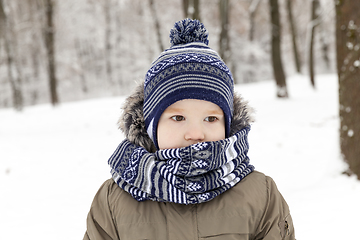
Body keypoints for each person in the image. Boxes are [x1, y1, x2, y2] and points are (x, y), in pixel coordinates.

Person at [84, 19, 295, 240]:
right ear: (150, 126)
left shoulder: (260, 194)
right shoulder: (113, 200)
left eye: (211, 118)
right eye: (178, 117)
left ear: (228, 123)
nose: (196, 133)